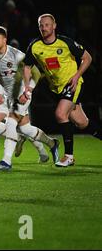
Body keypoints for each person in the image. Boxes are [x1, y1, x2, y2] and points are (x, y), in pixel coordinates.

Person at [22, 14, 101, 167]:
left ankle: (68, 156)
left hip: (72, 84)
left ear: (54, 26)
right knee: (82, 123)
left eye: (47, 24)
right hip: (56, 89)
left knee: (60, 114)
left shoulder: (66, 42)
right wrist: (26, 86)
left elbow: (88, 58)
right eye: (41, 25)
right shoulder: (35, 46)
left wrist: (77, 76)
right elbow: (26, 66)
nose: (44, 28)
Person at [0, 26, 59, 171]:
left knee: (11, 122)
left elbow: (35, 73)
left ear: (5, 39)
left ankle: (6, 161)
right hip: (7, 95)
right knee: (24, 128)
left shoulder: (16, 55)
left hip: (22, 94)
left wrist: (28, 91)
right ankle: (52, 143)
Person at [0, 40, 51, 163]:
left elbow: (24, 76)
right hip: (1, 96)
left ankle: (9, 159)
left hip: (16, 95)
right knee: (15, 126)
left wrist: (27, 90)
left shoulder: (3, 61)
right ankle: (41, 150)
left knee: (21, 126)